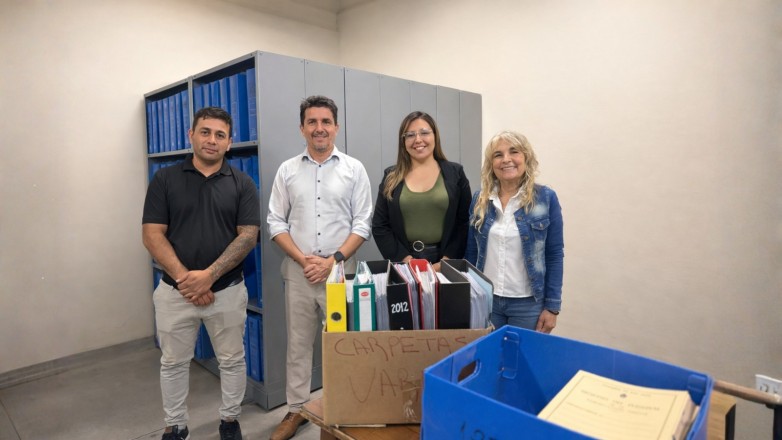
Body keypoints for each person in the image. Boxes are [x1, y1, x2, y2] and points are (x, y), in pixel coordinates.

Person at [142, 106, 260, 440]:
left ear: (229, 142)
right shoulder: (165, 179)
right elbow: (152, 234)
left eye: (220, 135)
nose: (212, 140)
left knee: (232, 360)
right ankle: (176, 426)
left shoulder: (243, 183)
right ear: (191, 135)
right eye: (205, 132)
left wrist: (208, 276)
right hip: (175, 292)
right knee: (173, 363)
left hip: (227, 292)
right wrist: (187, 280)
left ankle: (229, 421)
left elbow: (248, 236)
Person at [267, 95, 373, 440]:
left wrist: (332, 261)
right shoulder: (287, 170)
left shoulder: (354, 169)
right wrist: (304, 260)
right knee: (298, 345)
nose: (319, 128)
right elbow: (275, 222)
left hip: (340, 273)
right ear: (302, 128)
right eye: (311, 122)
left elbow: (362, 223)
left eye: (326, 121)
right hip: (299, 272)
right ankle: (296, 410)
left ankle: (342, 409)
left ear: (336, 127)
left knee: (342, 343)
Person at [464, 131, 564, 333]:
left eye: (514, 152)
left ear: (526, 157)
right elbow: (471, 252)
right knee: (489, 352)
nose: (506, 159)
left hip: (528, 305)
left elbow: (554, 254)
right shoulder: (480, 200)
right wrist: (467, 295)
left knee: (522, 354)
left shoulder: (545, 199)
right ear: (491, 164)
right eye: (498, 155)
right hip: (486, 300)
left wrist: (552, 307)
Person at [371, 111, 471, 270]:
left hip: (445, 262)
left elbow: (464, 223)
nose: (418, 139)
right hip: (404, 262)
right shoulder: (391, 176)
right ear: (403, 141)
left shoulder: (456, 173)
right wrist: (407, 261)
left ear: (435, 136)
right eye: (410, 135)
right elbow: (380, 226)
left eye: (424, 133)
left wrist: (445, 262)